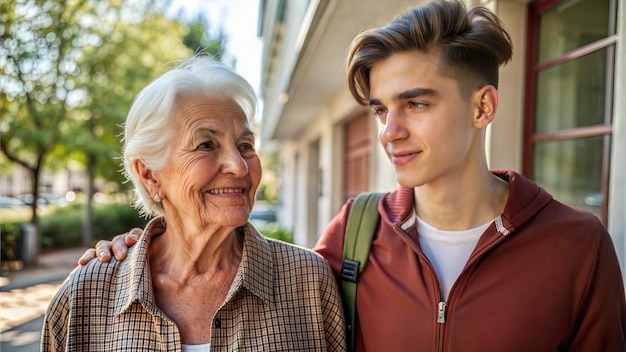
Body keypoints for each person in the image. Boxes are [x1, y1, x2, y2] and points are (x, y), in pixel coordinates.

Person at [80, 1, 626, 351]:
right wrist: (147, 247)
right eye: (383, 109)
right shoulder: (355, 234)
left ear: (483, 107)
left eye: (416, 104)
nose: (390, 131)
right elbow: (241, 274)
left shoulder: (578, 246)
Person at [42, 56, 346, 351]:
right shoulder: (87, 294)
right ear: (149, 174)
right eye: (206, 145)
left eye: (245, 146)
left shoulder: (308, 281)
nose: (238, 166)